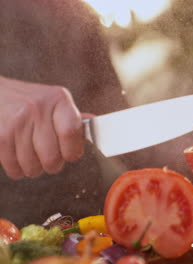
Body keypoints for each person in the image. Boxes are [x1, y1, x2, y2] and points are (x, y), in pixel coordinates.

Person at [0, 0, 133, 226]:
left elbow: (110, 105)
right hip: (15, 237)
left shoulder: (76, 10)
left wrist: (192, 157)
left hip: (99, 221)